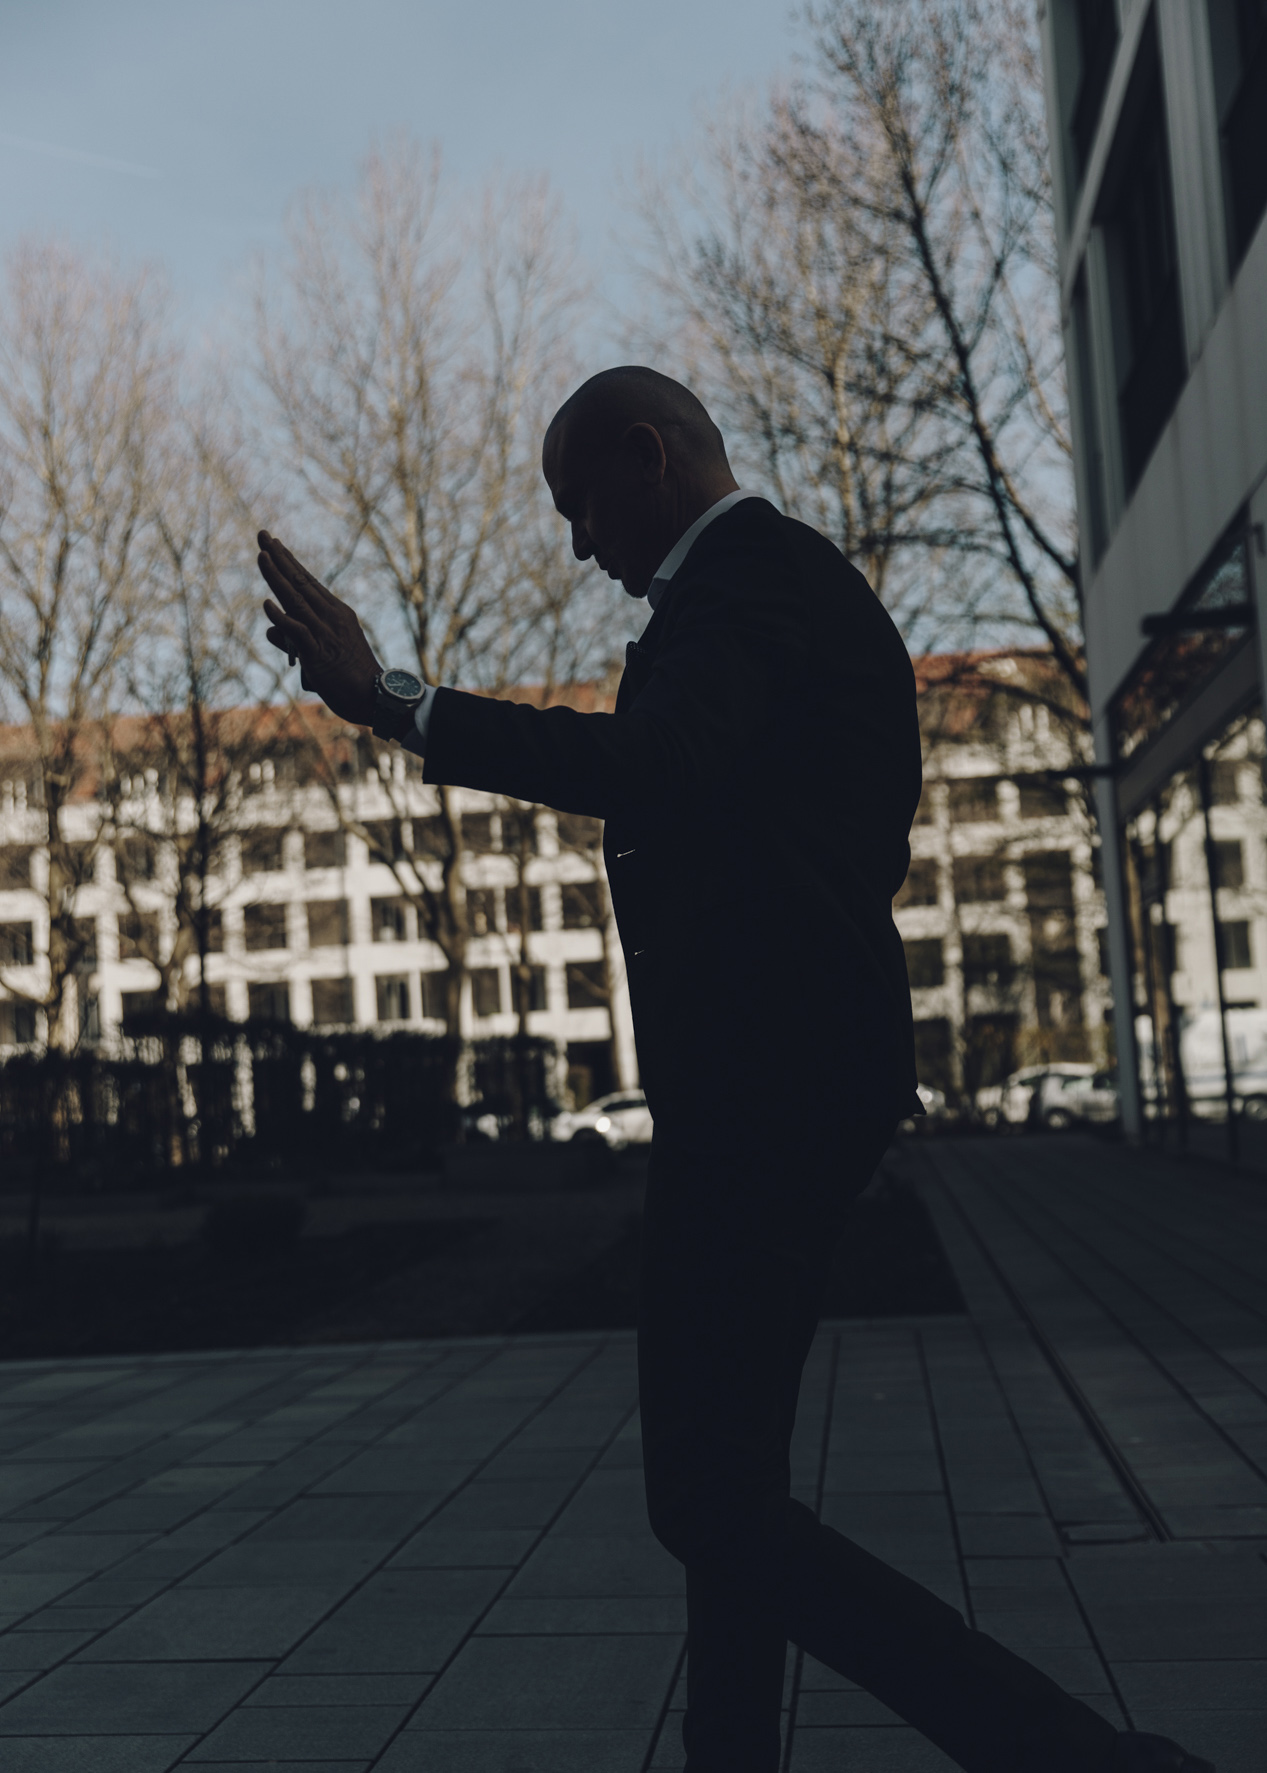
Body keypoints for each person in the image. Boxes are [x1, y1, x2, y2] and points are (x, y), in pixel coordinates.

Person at [257, 366, 1214, 1773]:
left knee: (705, 1501)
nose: (582, 546)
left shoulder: (753, 584)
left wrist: (401, 701)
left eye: (582, 506)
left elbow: (657, 762)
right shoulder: (767, 596)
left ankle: (1074, 1753)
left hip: (773, 1088)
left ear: (649, 457)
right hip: (778, 1080)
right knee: (731, 1491)